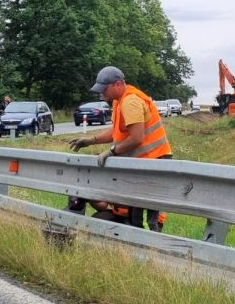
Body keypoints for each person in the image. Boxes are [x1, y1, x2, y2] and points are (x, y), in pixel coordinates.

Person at [66, 66, 170, 232]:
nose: (102, 94)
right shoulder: (119, 101)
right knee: (134, 214)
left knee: (151, 217)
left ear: (117, 84)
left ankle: (152, 246)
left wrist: (112, 151)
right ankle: (138, 244)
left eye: (104, 89)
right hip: (143, 163)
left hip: (154, 161)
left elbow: (136, 138)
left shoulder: (130, 102)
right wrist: (91, 140)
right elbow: (116, 132)